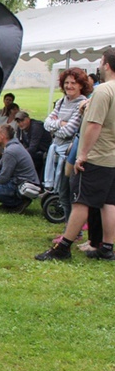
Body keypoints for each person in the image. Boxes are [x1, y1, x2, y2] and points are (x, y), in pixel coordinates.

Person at [37, 49, 115, 261]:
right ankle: (107, 248)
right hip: (112, 158)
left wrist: (82, 155)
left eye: (100, 61)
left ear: (106, 64)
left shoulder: (103, 91)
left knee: (81, 201)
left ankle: (63, 249)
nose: (99, 65)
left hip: (97, 156)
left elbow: (93, 126)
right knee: (109, 202)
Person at [42, 67, 90, 190]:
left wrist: (55, 127)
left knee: (64, 189)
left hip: (69, 153)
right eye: (66, 83)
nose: (69, 86)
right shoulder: (61, 102)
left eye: (73, 83)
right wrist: (60, 123)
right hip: (56, 149)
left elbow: (69, 131)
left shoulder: (82, 104)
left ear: (81, 85)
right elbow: (46, 124)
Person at [0, 123, 40, 213]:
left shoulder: (11, 151)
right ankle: (12, 201)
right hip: (21, 180)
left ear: (3, 136)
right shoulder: (14, 145)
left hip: (21, 185)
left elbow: (4, 176)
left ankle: (17, 202)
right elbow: (4, 165)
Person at [15, 110, 51, 180]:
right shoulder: (20, 128)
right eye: (18, 122)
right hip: (30, 151)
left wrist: (20, 156)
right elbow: (18, 143)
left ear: (28, 119)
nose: (20, 123)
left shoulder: (36, 127)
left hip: (42, 151)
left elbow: (33, 147)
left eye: (22, 121)